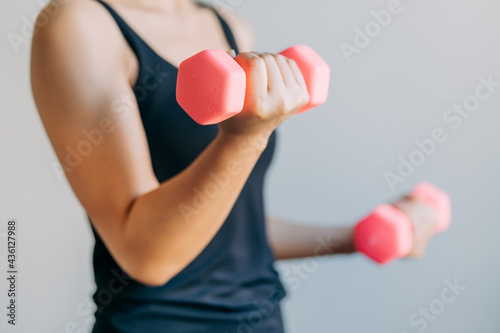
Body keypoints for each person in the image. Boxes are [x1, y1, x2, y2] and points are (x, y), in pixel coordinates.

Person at [30, 0, 440, 331]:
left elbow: (231, 224)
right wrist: (246, 136)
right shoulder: (76, 23)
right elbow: (147, 257)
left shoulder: (227, 25)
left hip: (263, 317)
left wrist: (357, 237)